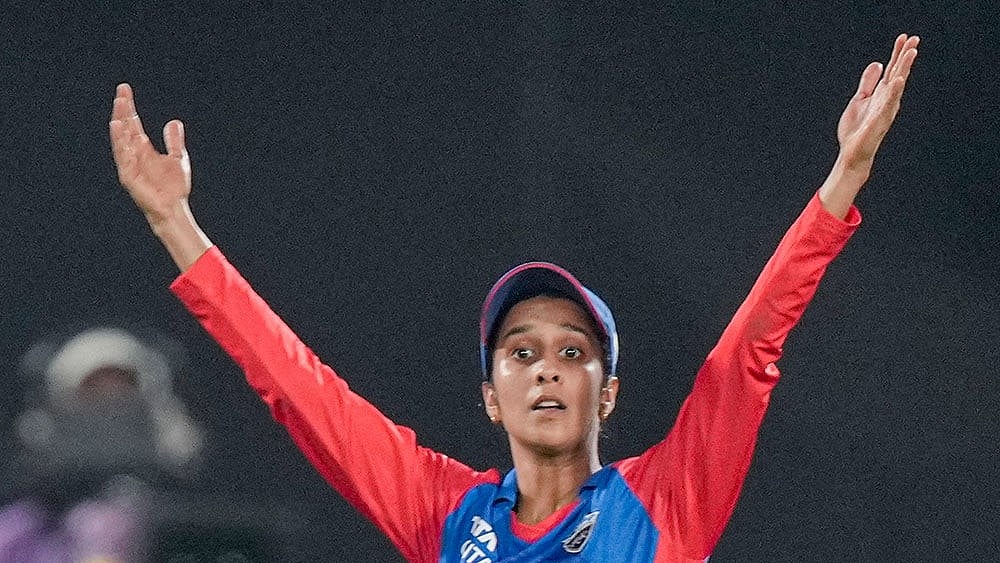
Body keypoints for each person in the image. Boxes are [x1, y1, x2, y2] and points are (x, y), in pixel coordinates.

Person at [109, 35, 919, 562]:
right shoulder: (448, 515)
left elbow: (748, 351)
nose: (545, 370)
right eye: (521, 352)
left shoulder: (662, 501)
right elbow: (302, 389)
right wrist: (177, 224)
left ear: (608, 392)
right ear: (491, 397)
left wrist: (843, 178)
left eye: (573, 351)